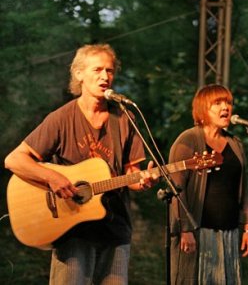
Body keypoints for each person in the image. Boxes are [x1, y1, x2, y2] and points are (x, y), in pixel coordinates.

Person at [4, 43, 158, 284]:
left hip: (115, 230)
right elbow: (14, 160)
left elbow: (132, 174)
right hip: (72, 231)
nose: (105, 76)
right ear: (79, 74)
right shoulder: (61, 118)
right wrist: (52, 177)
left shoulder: (125, 117)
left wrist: (144, 181)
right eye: (97, 70)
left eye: (109, 70)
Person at [169, 84, 248, 285]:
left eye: (228, 103)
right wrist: (185, 229)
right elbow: (176, 190)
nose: (225, 107)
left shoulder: (235, 143)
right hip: (198, 231)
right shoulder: (188, 140)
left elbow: (243, 189)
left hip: (229, 232)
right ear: (202, 109)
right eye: (218, 103)